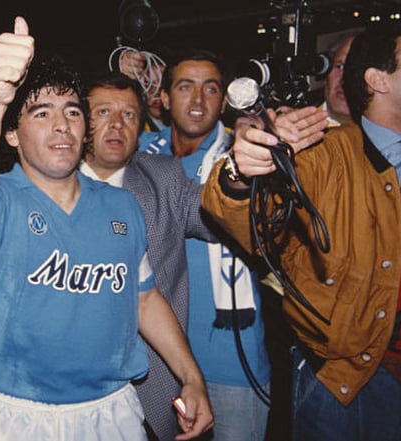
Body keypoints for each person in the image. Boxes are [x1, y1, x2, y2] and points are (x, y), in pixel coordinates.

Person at [202, 23, 401, 441]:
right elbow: (242, 216)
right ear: (377, 80)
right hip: (341, 382)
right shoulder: (322, 155)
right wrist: (241, 171)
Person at [0, 17, 212, 440]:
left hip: (113, 407)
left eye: (73, 112)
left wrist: (191, 377)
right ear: (12, 133)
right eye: (41, 113)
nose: (61, 124)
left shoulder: (121, 205)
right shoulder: (1, 201)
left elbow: (145, 297)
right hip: (20, 415)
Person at [138, 48, 304, 441]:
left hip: (230, 367)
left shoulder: (247, 155)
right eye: (184, 87)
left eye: (211, 89)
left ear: (225, 100)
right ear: (162, 99)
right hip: (159, 365)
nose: (198, 101)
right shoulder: (138, 153)